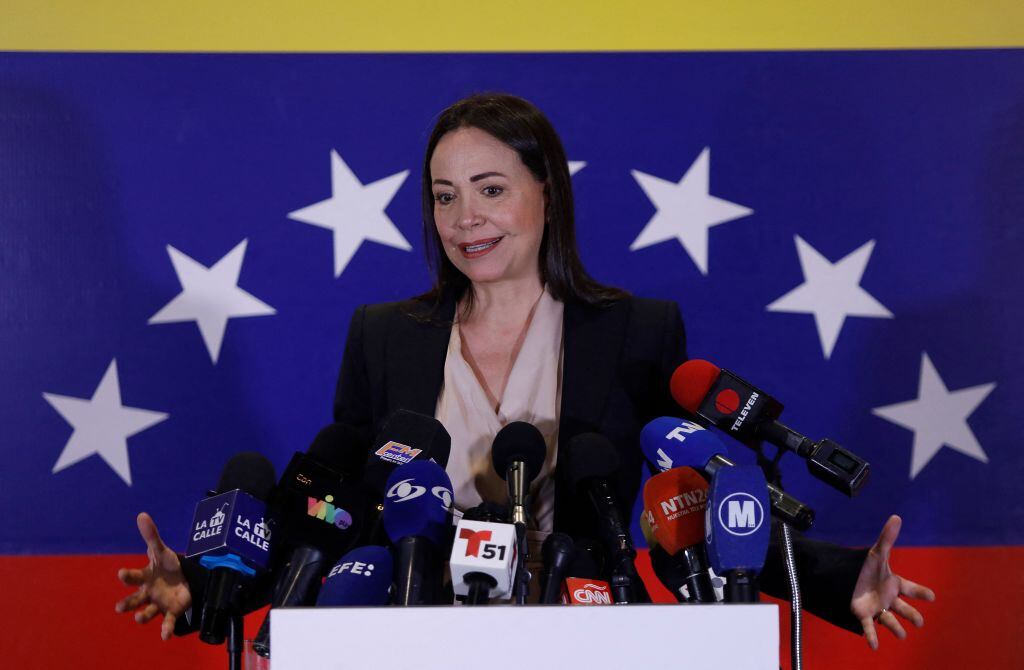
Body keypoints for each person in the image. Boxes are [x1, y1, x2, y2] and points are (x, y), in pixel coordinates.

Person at [116, 93, 934, 650]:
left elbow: (692, 494)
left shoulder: (638, 332)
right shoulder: (384, 337)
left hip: (590, 637)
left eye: (490, 189)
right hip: (412, 638)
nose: (464, 219)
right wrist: (198, 581)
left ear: (547, 193)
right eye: (443, 197)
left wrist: (835, 579)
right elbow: (333, 505)